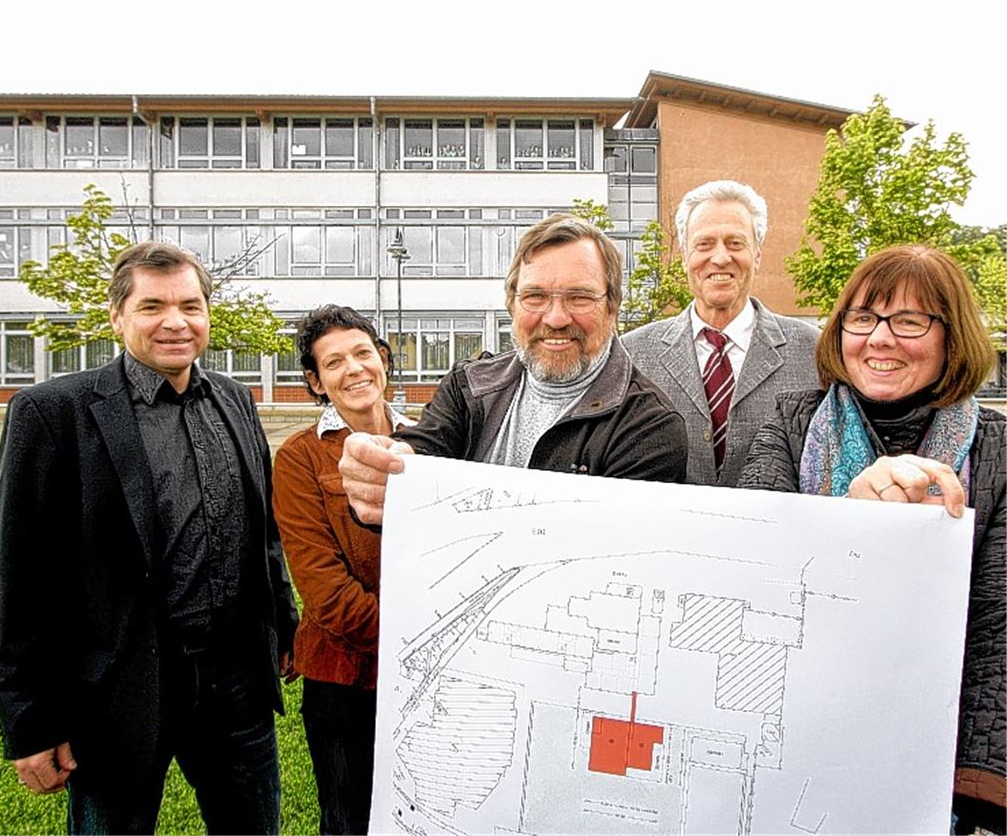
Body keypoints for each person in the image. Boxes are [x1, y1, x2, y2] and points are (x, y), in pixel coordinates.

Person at [0, 242, 299, 835]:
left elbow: (262, 534)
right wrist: (29, 720)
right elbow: (19, 579)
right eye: (152, 306)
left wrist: (283, 623)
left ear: (209, 313)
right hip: (120, 689)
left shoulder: (234, 399)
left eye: (190, 305)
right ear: (118, 317)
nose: (175, 322)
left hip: (237, 681)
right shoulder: (53, 413)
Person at [738, 245, 1005, 835]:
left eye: (909, 321)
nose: (880, 339)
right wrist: (851, 525)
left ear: (951, 337)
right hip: (794, 735)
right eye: (862, 318)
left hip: (936, 764)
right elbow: (756, 586)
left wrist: (981, 791)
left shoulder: (999, 451)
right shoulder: (786, 427)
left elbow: (996, 629)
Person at [340, 212, 688, 525]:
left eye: (579, 297)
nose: (555, 318)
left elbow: (610, 555)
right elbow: (426, 449)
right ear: (512, 306)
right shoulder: (469, 386)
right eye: (535, 297)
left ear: (612, 308)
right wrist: (388, 473)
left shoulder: (650, 427)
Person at [272, 306, 412, 835]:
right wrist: (415, 641)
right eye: (333, 363)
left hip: (432, 679)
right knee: (351, 821)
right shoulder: (300, 458)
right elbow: (326, 594)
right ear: (316, 381)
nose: (353, 369)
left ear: (382, 359)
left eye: (362, 353)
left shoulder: (428, 442)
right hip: (346, 681)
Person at [622, 180, 820, 486]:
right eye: (704, 244)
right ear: (685, 255)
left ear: (757, 254)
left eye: (735, 243)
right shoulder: (632, 355)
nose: (720, 257)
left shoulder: (814, 350)